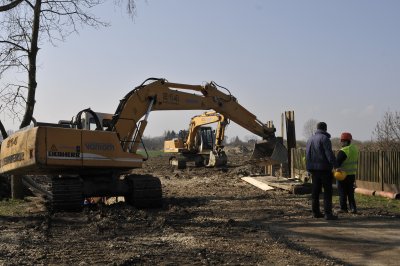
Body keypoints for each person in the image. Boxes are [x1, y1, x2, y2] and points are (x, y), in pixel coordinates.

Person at [306, 122, 338, 220]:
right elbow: (329, 154)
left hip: (313, 170)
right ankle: (328, 214)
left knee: (315, 192)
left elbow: (307, 154)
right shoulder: (325, 139)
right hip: (324, 169)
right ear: (325, 129)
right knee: (327, 192)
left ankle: (315, 213)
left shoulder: (310, 139)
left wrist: (308, 168)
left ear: (317, 128)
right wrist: (336, 166)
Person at [336, 132, 359, 214]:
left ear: (344, 141)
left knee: (342, 192)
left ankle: (343, 208)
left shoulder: (343, 151)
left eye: (341, 141)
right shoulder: (355, 149)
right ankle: (353, 208)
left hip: (342, 175)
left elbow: (337, 163)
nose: (341, 143)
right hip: (352, 174)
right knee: (350, 192)